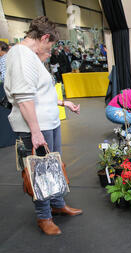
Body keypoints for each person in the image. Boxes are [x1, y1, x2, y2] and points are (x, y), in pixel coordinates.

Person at [4, 16, 83, 236]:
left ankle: (57, 204)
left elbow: (39, 92)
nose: (50, 49)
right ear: (45, 37)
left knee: (53, 167)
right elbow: (23, 97)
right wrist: (36, 131)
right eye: (50, 45)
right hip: (35, 126)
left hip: (48, 122)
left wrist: (62, 102)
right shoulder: (21, 55)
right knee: (39, 172)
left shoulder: (29, 56)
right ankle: (44, 216)